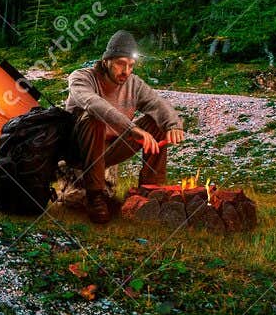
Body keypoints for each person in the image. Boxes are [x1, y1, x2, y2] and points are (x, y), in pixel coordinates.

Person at [65, 30, 186, 225]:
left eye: (131, 65)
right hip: (77, 151)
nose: (126, 71)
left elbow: (157, 103)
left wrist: (173, 124)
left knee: (157, 122)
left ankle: (150, 189)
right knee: (93, 117)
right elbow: (94, 104)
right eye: (121, 64)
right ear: (106, 61)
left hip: (110, 151)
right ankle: (95, 196)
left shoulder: (133, 83)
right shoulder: (81, 78)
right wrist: (131, 129)